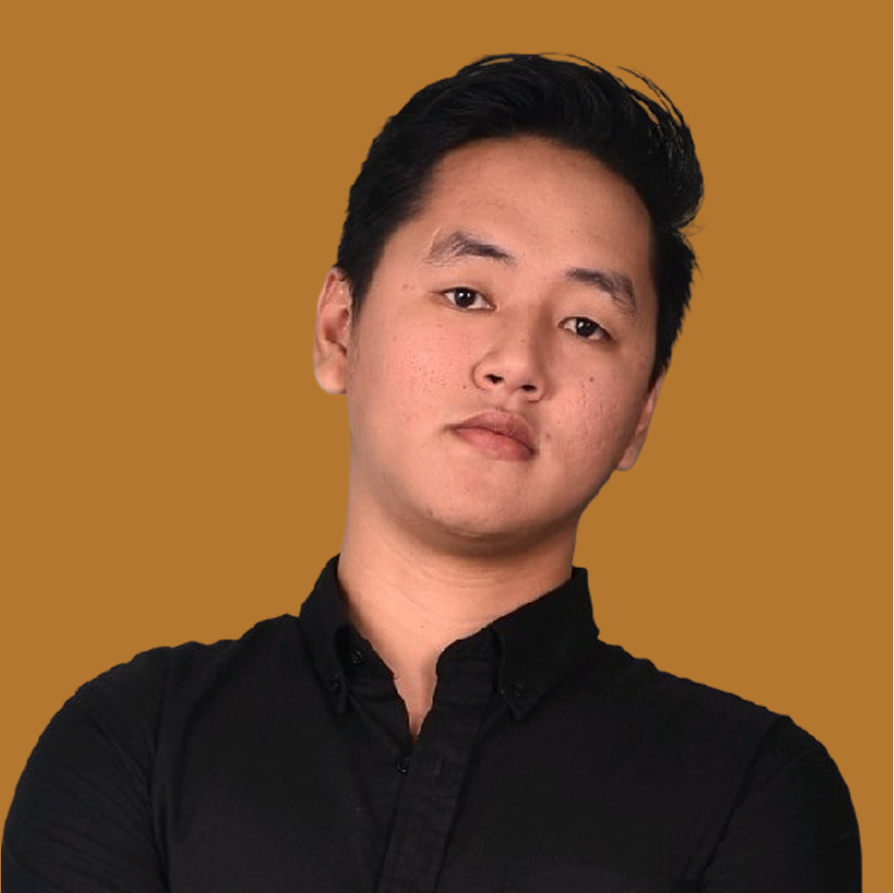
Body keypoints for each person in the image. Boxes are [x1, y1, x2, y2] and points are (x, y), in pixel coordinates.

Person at [2, 54, 860, 892]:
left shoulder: (755, 793)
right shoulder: (133, 744)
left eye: (586, 325)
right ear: (340, 328)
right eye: (467, 295)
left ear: (641, 413)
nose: (516, 364)